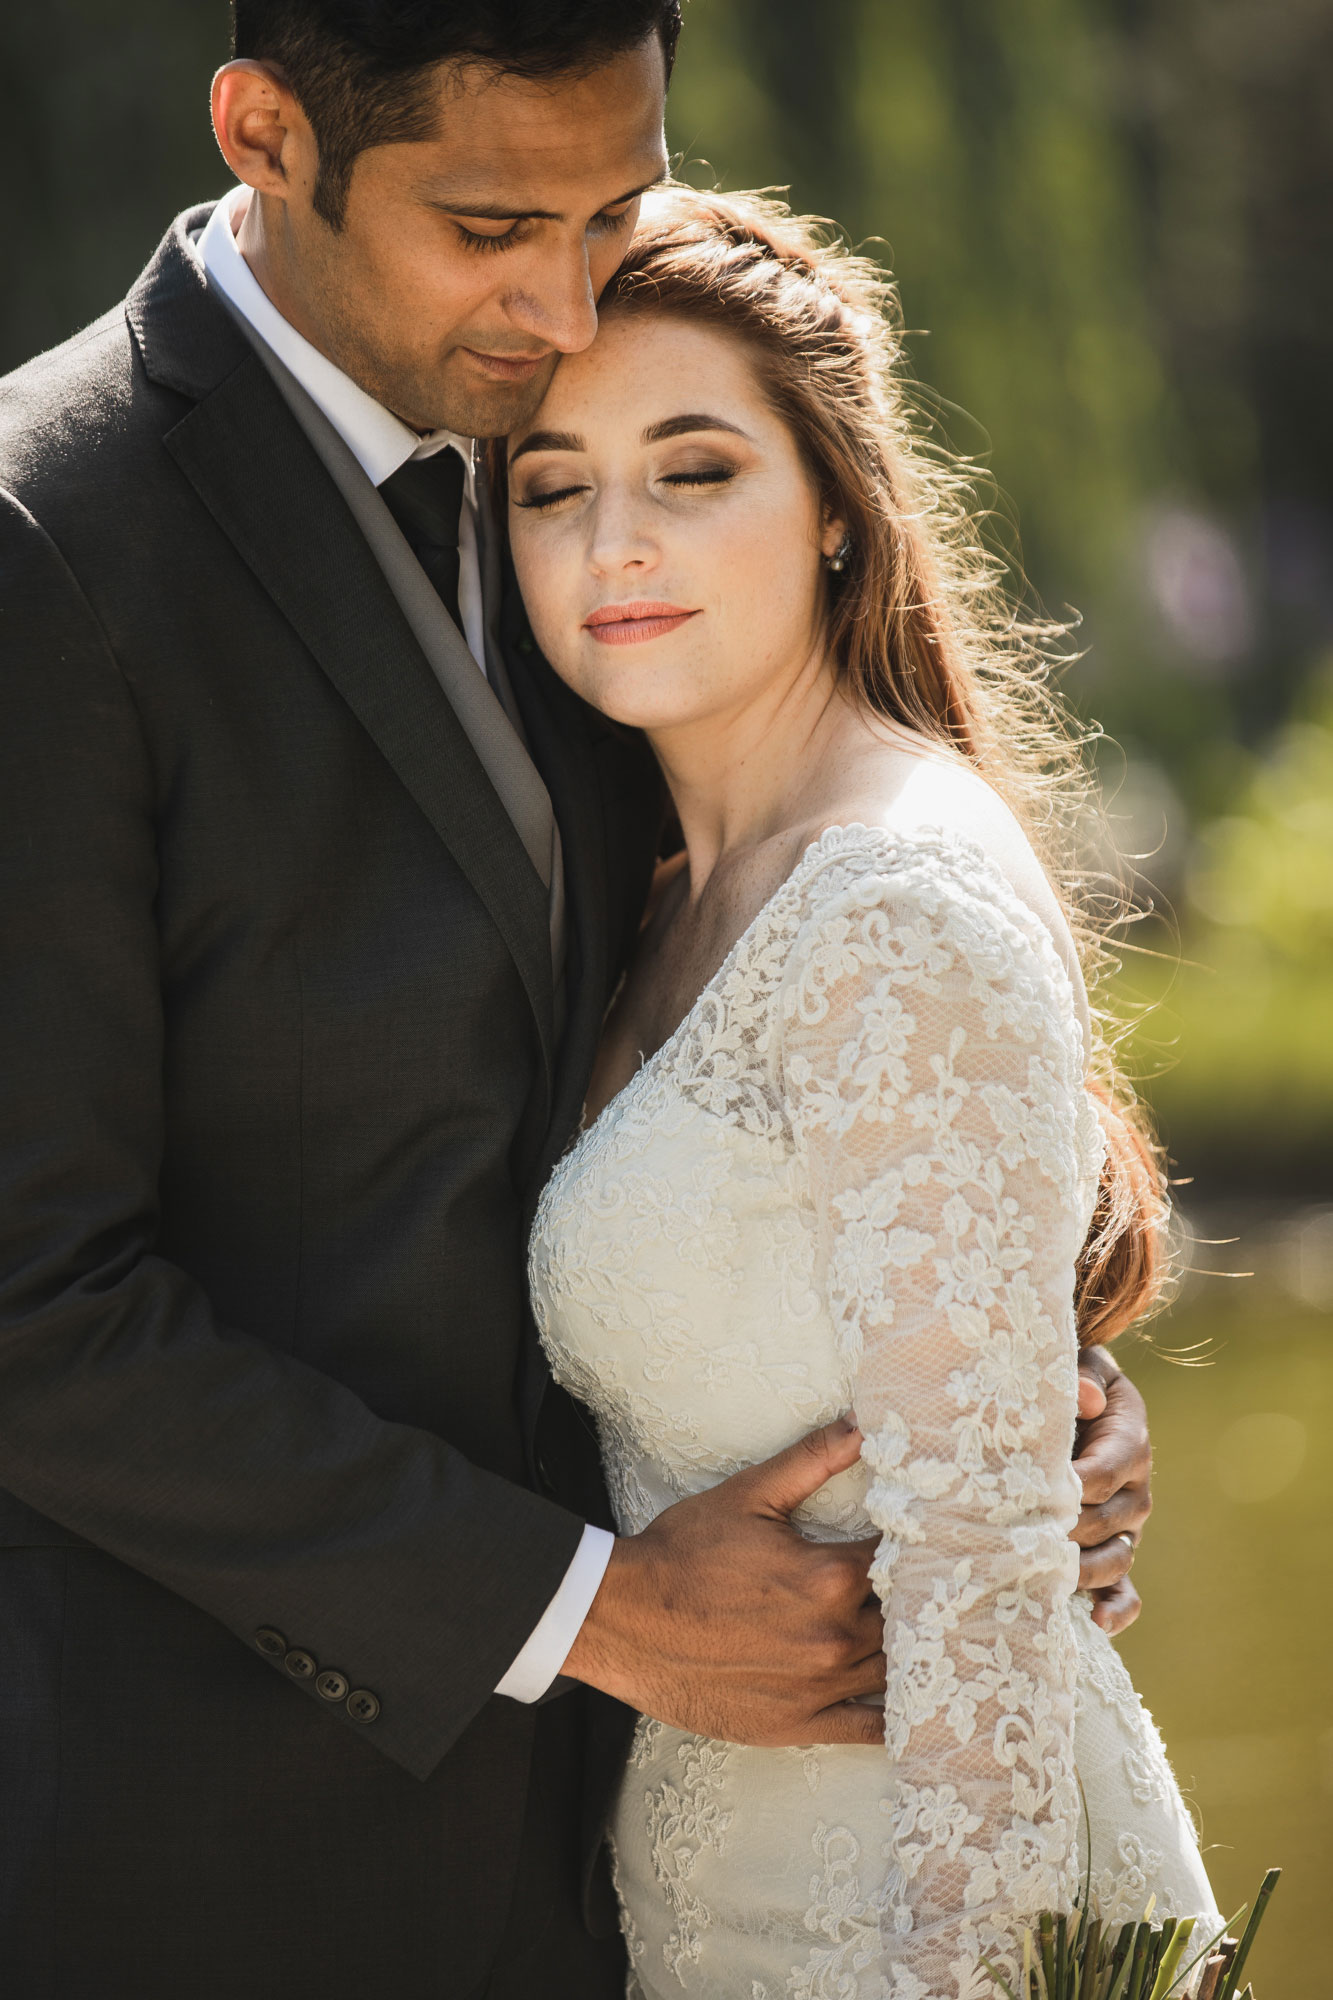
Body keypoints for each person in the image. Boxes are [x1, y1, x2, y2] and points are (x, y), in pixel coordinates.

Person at [0, 5, 1150, 1993]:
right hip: (231, 1858)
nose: (555, 296)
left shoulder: (593, 430)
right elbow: (30, 1298)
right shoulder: (47, 549)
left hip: (679, 1861)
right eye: (486, 224)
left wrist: (977, 1427)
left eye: (610, 204)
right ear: (268, 133)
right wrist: (591, 1611)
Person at [514, 188, 1219, 1998]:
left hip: (921, 1908)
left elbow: (983, 1581)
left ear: (833, 502)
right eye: (548, 485)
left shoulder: (892, 900)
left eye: (692, 469)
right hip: (702, 1898)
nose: (615, 544)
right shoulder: (653, 893)